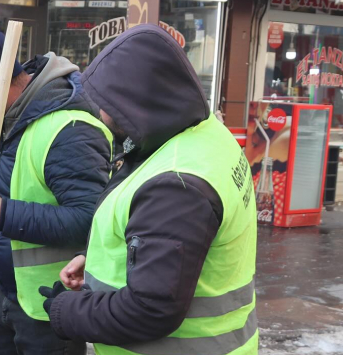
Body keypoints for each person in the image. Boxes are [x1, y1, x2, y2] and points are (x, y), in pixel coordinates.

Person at [40, 24, 258, 355]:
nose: (101, 113)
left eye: (109, 103)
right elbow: (169, 247)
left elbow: (151, 308)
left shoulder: (176, 185)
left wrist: (66, 311)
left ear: (139, 102)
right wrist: (101, 260)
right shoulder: (203, 135)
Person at [0, 18, 114, 355]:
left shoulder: (69, 128)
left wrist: (2, 214)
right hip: (12, 296)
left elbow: (90, 220)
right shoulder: (20, 113)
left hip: (50, 306)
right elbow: (9, 176)